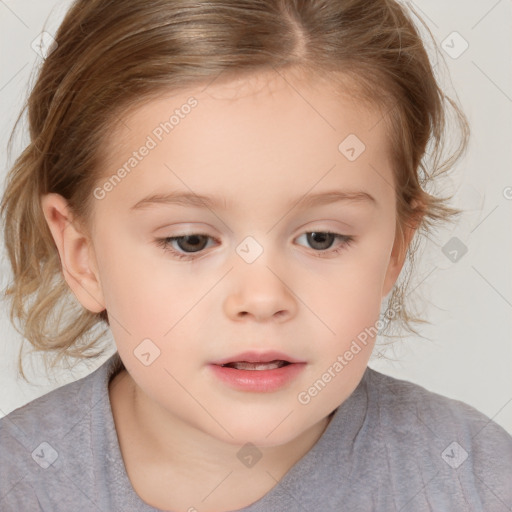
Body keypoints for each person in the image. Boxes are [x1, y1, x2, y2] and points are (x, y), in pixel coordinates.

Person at [0, 0, 510, 511]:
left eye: (321, 238)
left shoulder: (476, 479)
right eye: (191, 241)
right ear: (81, 254)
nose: (262, 299)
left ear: (396, 245)